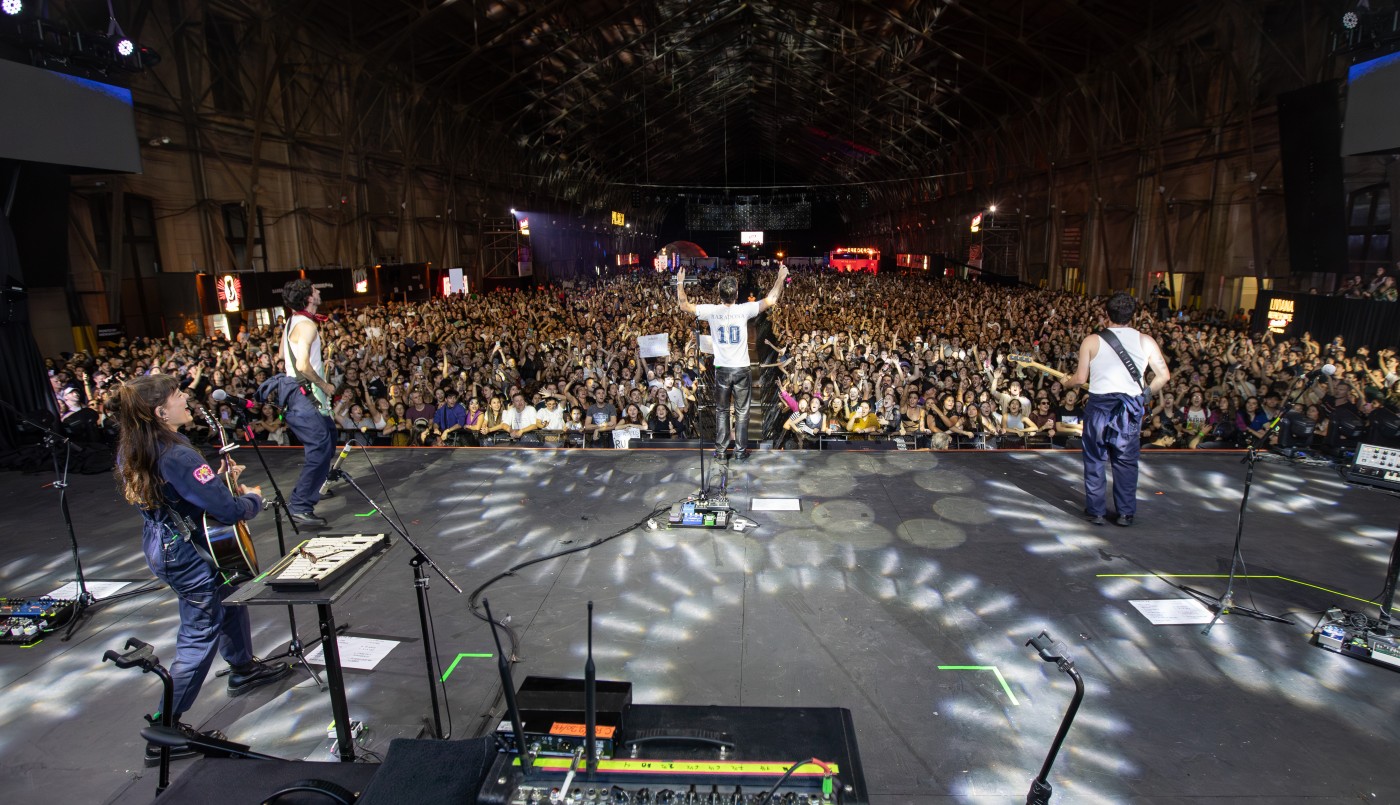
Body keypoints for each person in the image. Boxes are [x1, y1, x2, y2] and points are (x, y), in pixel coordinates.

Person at [113, 374, 290, 766]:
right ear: (161, 412)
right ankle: (164, 728)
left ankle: (242, 667)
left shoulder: (136, 446)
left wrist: (218, 481)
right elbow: (226, 509)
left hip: (164, 544)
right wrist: (251, 499)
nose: (186, 400)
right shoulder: (177, 454)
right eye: (178, 396)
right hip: (189, 556)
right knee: (199, 633)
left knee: (229, 597)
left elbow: (178, 497)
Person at [1064, 292, 1170, 527]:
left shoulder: (1092, 340)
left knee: (1095, 459)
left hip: (1099, 407)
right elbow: (1163, 375)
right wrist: (1144, 395)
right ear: (1133, 315)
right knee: (1125, 461)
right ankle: (1125, 513)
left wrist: (1066, 383)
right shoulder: (1146, 341)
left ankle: (1096, 512)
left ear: (1106, 314)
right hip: (1129, 408)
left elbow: (1079, 379)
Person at [675, 264, 788, 461]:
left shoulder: (711, 311)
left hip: (722, 370)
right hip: (741, 369)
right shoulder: (744, 309)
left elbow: (684, 305)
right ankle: (740, 452)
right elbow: (772, 299)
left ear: (719, 294)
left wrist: (679, 282)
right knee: (742, 412)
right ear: (736, 295)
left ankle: (720, 452)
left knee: (722, 411)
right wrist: (780, 278)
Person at [278, 279, 337, 527]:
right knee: (319, 449)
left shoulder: (293, 321)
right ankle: (300, 505)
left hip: (301, 394)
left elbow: (282, 354)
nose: (318, 291)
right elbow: (302, 364)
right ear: (309, 298)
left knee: (330, 438)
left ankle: (318, 484)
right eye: (314, 290)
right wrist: (324, 384)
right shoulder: (306, 325)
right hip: (306, 396)